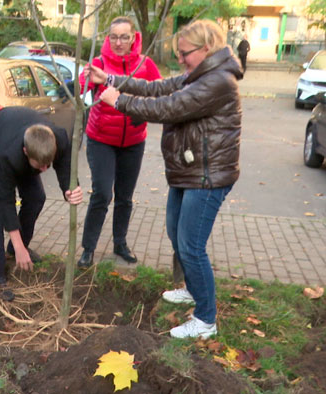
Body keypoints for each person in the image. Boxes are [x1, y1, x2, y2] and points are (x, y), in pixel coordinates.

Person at [86, 19, 243, 339]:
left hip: (207, 176)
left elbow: (168, 107)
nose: (182, 59)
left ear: (207, 48)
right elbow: (157, 87)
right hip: (190, 171)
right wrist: (112, 79)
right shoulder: (199, 74)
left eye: (186, 53)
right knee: (176, 233)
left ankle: (205, 319)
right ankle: (192, 287)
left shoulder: (219, 81)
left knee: (191, 245)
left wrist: (119, 101)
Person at [0, 107, 82, 300]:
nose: (44, 170)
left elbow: (65, 165)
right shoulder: (9, 155)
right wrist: (19, 243)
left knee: (37, 197)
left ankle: (16, 250)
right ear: (26, 152)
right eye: (40, 165)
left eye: (48, 164)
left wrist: (70, 190)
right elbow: (6, 200)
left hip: (13, 138)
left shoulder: (59, 138)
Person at [76, 16, 161, 269]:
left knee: (125, 197)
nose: (119, 42)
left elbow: (160, 91)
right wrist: (88, 81)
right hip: (101, 139)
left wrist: (143, 108)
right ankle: (88, 248)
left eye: (125, 37)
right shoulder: (98, 63)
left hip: (134, 141)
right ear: (107, 38)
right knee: (102, 193)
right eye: (114, 37)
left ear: (134, 38)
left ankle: (120, 243)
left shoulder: (145, 64)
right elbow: (81, 90)